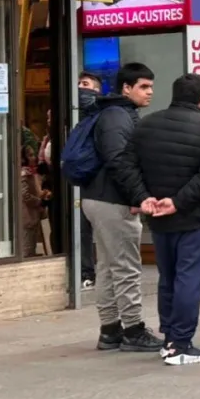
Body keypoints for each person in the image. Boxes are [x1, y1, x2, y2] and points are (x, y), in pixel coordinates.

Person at [119, 74, 200, 366]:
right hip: (194, 218)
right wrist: (178, 202)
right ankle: (180, 343)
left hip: (159, 218)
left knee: (168, 280)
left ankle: (169, 338)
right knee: (189, 281)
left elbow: (126, 164)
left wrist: (144, 197)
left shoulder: (146, 125)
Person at [81, 62, 164, 354]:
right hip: (112, 201)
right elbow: (118, 160)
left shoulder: (115, 113)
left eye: (151, 86)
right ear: (126, 88)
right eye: (143, 86)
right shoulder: (117, 116)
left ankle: (110, 330)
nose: (149, 92)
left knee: (107, 266)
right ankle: (133, 329)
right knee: (127, 266)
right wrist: (139, 197)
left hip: (100, 197)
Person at [77, 72, 103, 290]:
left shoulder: (100, 115)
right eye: (77, 84)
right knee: (79, 229)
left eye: (85, 85)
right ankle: (83, 270)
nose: (79, 88)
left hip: (92, 181)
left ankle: (89, 272)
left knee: (89, 228)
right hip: (72, 179)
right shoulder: (69, 114)